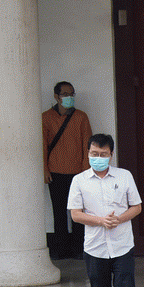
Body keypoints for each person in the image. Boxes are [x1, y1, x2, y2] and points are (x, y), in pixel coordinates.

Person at [68, 134, 143, 287]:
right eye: (94, 154)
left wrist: (118, 219)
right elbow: (75, 214)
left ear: (111, 154)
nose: (98, 158)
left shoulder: (124, 176)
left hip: (121, 246)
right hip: (95, 248)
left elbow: (137, 206)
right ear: (88, 153)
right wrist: (101, 221)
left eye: (103, 154)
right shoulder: (79, 180)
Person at [42, 81, 93, 259]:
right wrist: (44, 170)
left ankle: (79, 249)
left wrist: (86, 171)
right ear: (56, 96)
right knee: (59, 212)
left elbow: (88, 145)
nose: (69, 97)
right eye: (65, 94)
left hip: (78, 173)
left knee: (78, 213)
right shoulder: (46, 118)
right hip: (55, 171)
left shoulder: (81, 117)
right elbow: (42, 146)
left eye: (72, 94)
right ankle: (60, 249)